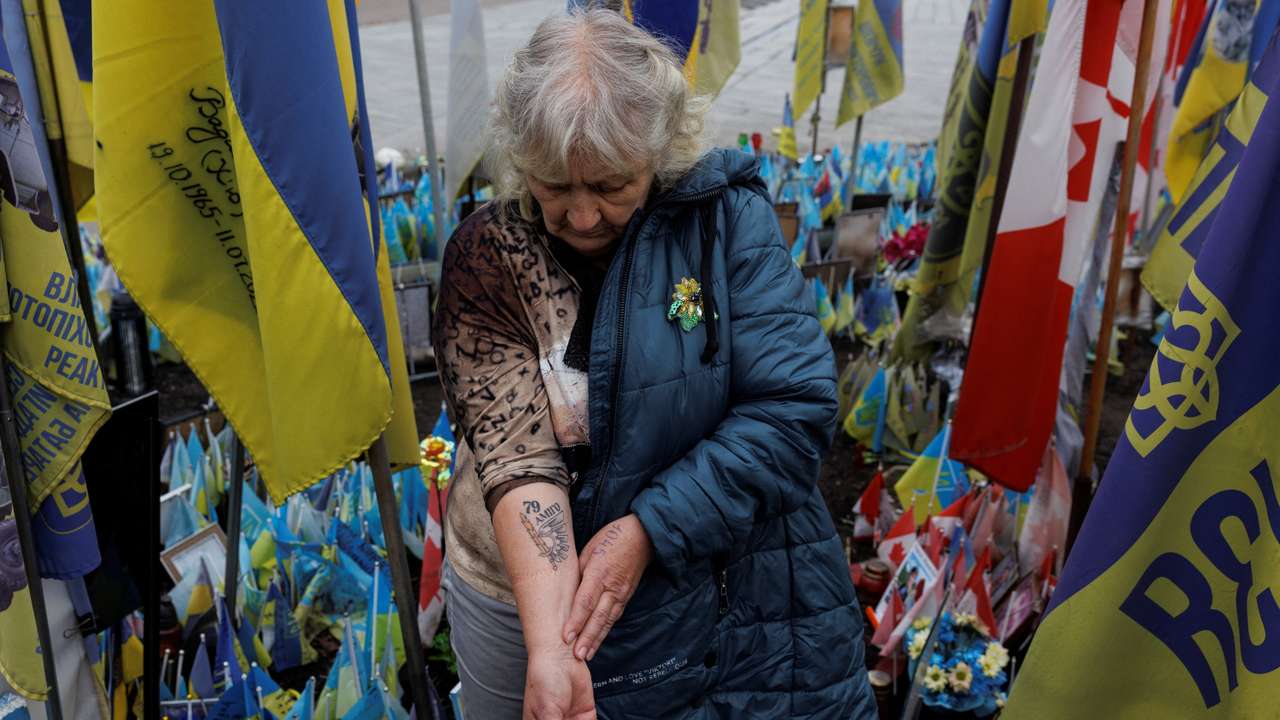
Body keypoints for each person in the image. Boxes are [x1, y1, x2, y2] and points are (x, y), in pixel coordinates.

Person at [433, 9, 876, 719]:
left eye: (610, 186)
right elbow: (516, 454)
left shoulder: (724, 221)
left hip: (716, 576)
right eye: (554, 185)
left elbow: (792, 410)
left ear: (661, 150)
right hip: (517, 587)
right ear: (520, 160)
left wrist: (650, 529)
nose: (581, 217)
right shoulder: (491, 255)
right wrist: (551, 644)